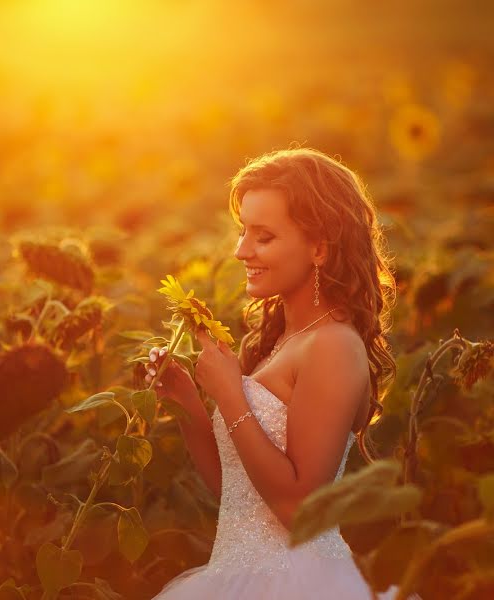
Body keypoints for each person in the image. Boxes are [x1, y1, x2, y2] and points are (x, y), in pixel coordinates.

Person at [146, 147, 416, 599]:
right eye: (242, 232)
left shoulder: (333, 345)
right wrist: (188, 405)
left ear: (319, 248)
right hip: (237, 574)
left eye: (263, 237)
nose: (240, 251)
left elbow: (298, 510)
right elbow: (238, 496)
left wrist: (230, 393)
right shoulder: (279, 340)